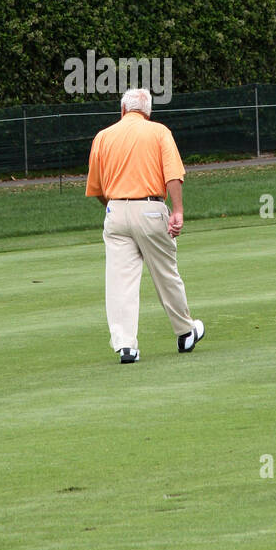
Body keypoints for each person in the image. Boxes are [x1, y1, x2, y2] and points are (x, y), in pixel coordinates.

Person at [85, 86, 204, 364]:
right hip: (151, 209)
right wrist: (178, 211)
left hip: (115, 211)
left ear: (123, 110)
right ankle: (186, 332)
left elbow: (97, 186)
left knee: (119, 282)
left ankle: (126, 346)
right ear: (147, 113)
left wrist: (116, 208)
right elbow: (173, 174)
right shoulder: (159, 132)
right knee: (165, 273)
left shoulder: (103, 136)